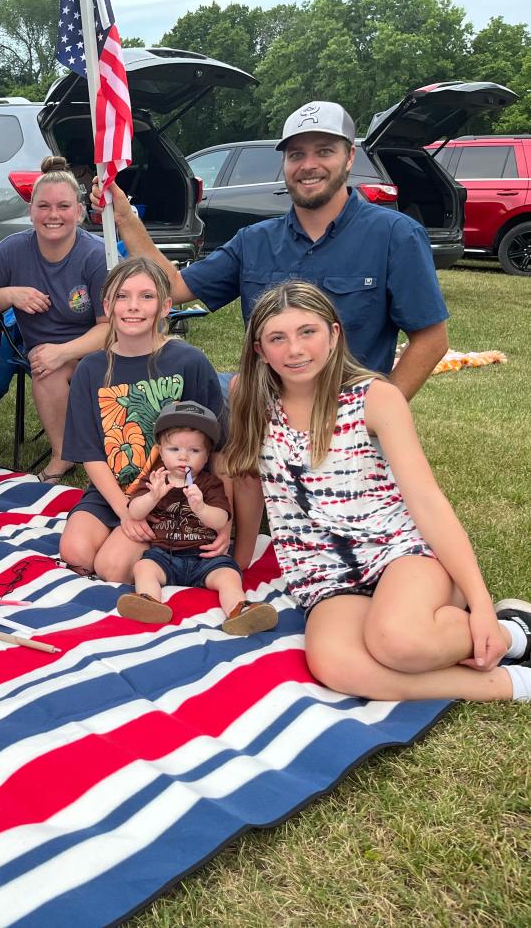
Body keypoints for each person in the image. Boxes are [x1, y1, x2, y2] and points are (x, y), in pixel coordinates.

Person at [225, 279, 531, 702]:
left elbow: (426, 501)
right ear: (260, 349)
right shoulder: (248, 396)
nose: (294, 350)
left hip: (399, 551)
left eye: (307, 332)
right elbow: (247, 479)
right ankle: (510, 685)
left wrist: (480, 603)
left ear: (334, 334)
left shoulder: (375, 398)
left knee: (399, 642)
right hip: (323, 572)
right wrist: (240, 560)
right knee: (338, 665)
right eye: (278, 338)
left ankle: (511, 632)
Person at [94, 101, 449, 400]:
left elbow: (431, 340)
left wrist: (379, 414)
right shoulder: (254, 241)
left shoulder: (395, 236)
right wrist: (126, 217)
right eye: (296, 154)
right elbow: (173, 288)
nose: (308, 165)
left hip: (346, 407)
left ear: (350, 157)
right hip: (265, 403)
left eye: (324, 151)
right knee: (175, 391)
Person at [58, 258, 224, 583]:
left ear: (165, 306)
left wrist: (222, 518)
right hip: (113, 491)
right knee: (75, 553)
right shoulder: (91, 369)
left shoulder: (189, 362)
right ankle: (133, 539)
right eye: (123, 296)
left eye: (146, 297)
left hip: (170, 495)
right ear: (108, 305)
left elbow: (217, 447)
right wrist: (124, 511)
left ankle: (161, 548)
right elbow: (90, 452)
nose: (133, 307)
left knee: (112, 568)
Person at [0, 156, 109, 483]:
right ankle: (63, 455)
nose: (53, 215)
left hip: (92, 348)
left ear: (79, 210)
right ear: (31, 211)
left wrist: (62, 352)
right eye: (43, 206)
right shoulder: (12, 250)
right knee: (44, 363)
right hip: (36, 347)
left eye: (63, 206)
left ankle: (79, 453)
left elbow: (109, 328)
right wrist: (11, 295)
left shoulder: (94, 255)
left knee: (48, 363)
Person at [117, 401, 278, 636]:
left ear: (205, 457)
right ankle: (148, 600)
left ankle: (239, 609)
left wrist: (201, 507)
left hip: (205, 557)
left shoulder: (209, 484)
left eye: (194, 451)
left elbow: (221, 519)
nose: (183, 457)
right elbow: (135, 512)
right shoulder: (156, 480)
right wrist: (152, 497)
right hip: (165, 555)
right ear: (161, 452)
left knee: (229, 576)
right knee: (143, 567)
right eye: (174, 450)